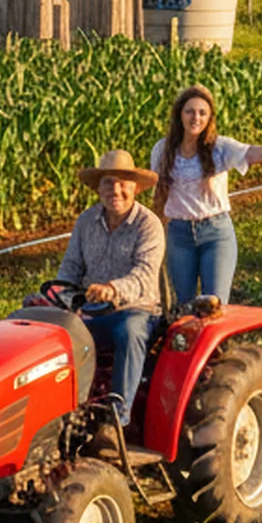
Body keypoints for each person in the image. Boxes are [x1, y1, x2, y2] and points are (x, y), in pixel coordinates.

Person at [150, 85, 262, 306]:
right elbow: (159, 192)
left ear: (210, 117)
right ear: (179, 114)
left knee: (215, 305)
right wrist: (156, 230)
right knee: (185, 306)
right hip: (179, 234)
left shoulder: (220, 147)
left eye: (203, 113)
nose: (196, 118)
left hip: (215, 232)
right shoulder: (162, 149)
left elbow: (252, 153)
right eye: (190, 111)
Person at [50, 148, 165, 430]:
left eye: (123, 183)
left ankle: (117, 417)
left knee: (129, 331)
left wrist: (113, 289)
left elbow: (144, 276)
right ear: (98, 188)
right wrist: (58, 296)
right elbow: (70, 268)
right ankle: (61, 410)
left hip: (136, 310)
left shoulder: (148, 225)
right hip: (90, 310)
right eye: (108, 183)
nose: (116, 190)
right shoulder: (86, 222)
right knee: (48, 331)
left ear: (135, 188)